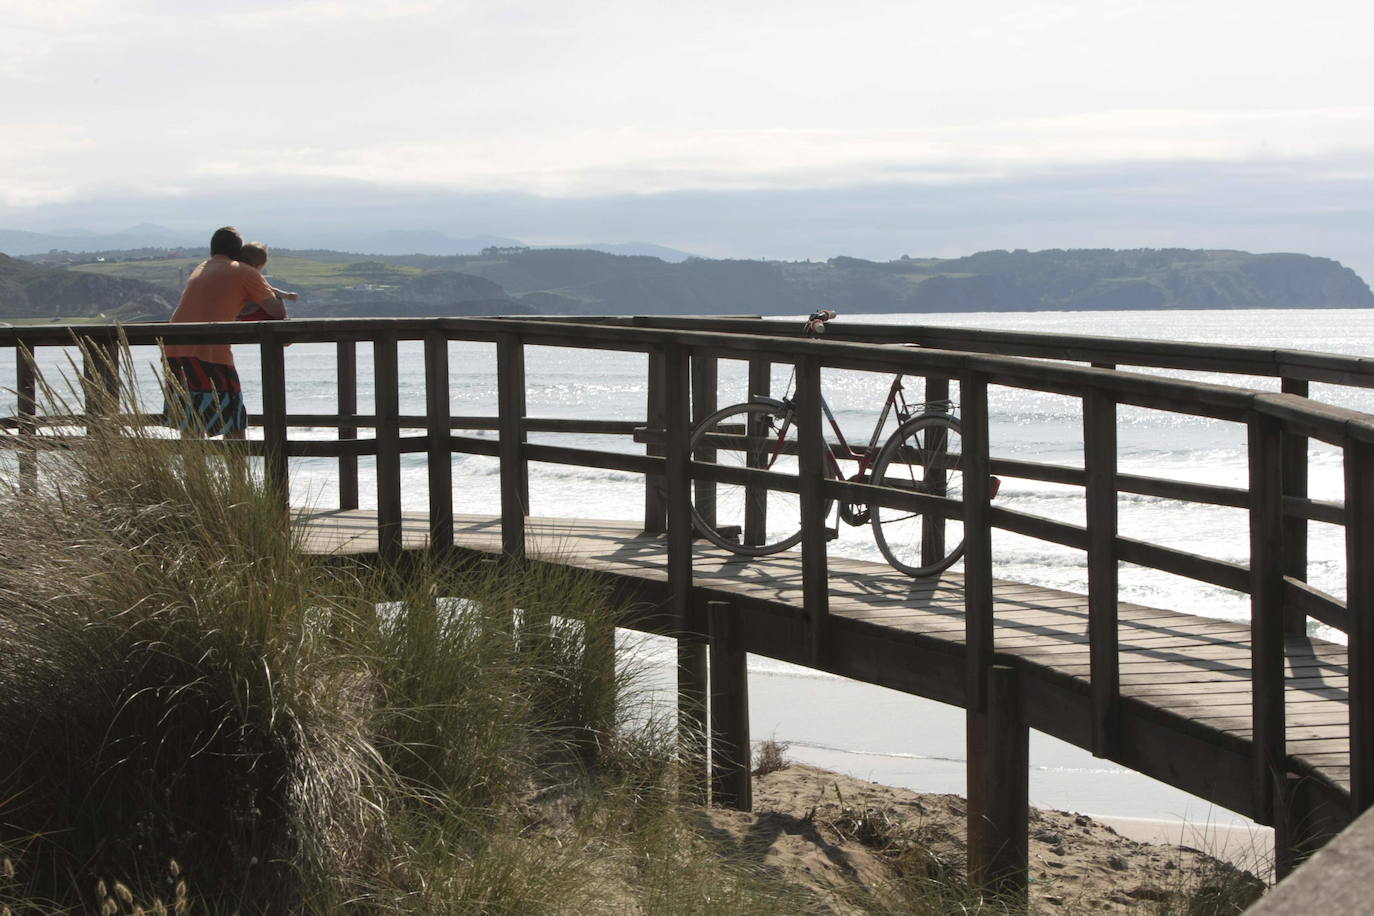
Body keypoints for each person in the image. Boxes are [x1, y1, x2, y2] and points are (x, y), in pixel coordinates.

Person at [162, 226, 288, 439]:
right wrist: (268, 289)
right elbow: (277, 312)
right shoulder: (244, 271)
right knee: (233, 423)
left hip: (174, 349)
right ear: (237, 252)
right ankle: (237, 473)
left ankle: (193, 473)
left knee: (191, 422)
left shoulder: (202, 267)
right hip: (208, 352)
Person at [234, 241, 299, 321]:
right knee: (276, 297)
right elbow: (272, 290)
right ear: (260, 266)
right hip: (256, 316)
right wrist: (287, 295)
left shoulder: (234, 275)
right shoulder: (255, 277)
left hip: (240, 316)